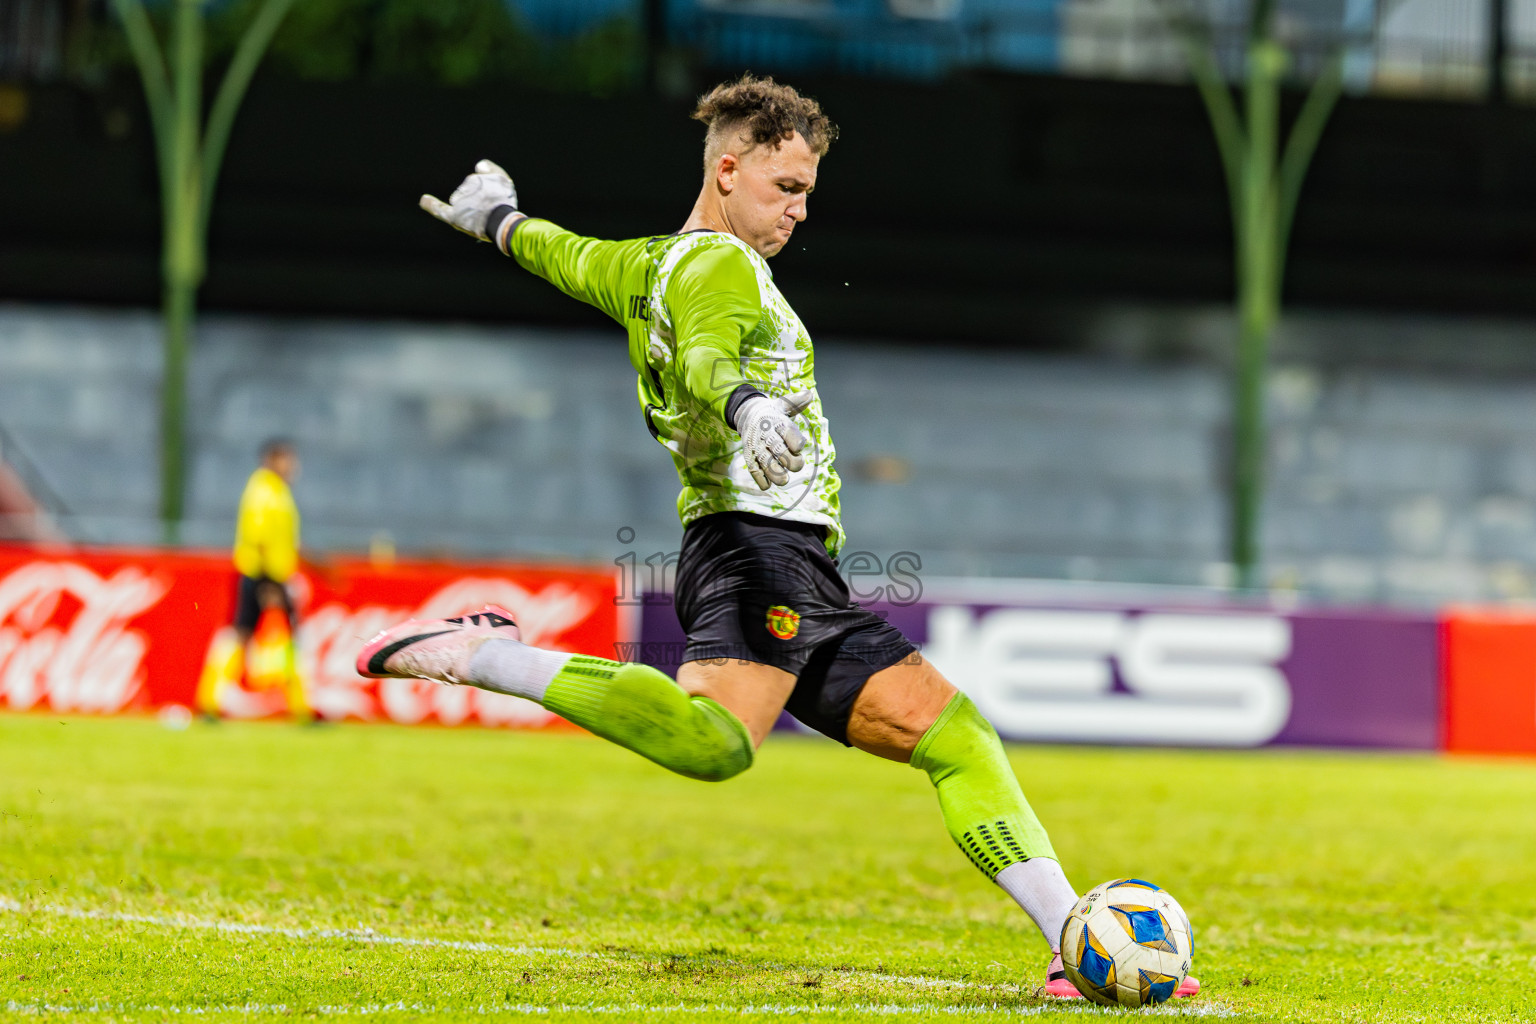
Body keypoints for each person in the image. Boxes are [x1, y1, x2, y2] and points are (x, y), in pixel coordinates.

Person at [359, 75, 1197, 999]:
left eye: (806, 192)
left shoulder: (645, 266)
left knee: (956, 739)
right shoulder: (720, 268)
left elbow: (566, 255)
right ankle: (486, 657)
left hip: (790, 561)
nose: (799, 211)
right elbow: (716, 353)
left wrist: (500, 222)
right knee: (717, 743)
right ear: (727, 170)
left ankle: (1070, 943)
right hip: (755, 548)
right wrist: (748, 404)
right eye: (784, 188)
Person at [196, 438, 313, 723]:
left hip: (266, 574)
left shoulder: (270, 490)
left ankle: (208, 700)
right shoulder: (266, 492)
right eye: (288, 460)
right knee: (285, 639)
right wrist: (269, 584)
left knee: (242, 635)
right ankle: (301, 708)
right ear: (272, 459)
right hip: (265, 576)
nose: (293, 467)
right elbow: (260, 539)